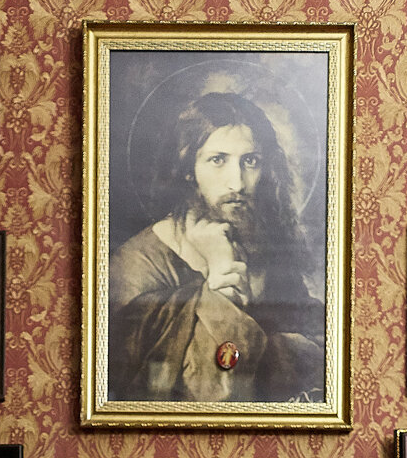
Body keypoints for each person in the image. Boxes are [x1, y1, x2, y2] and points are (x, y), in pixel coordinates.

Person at [109, 91, 325, 404]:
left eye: (250, 161)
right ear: (188, 169)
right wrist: (220, 284)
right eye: (217, 160)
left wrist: (272, 352)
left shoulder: (261, 244)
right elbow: (188, 391)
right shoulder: (135, 264)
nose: (236, 183)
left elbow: (319, 354)